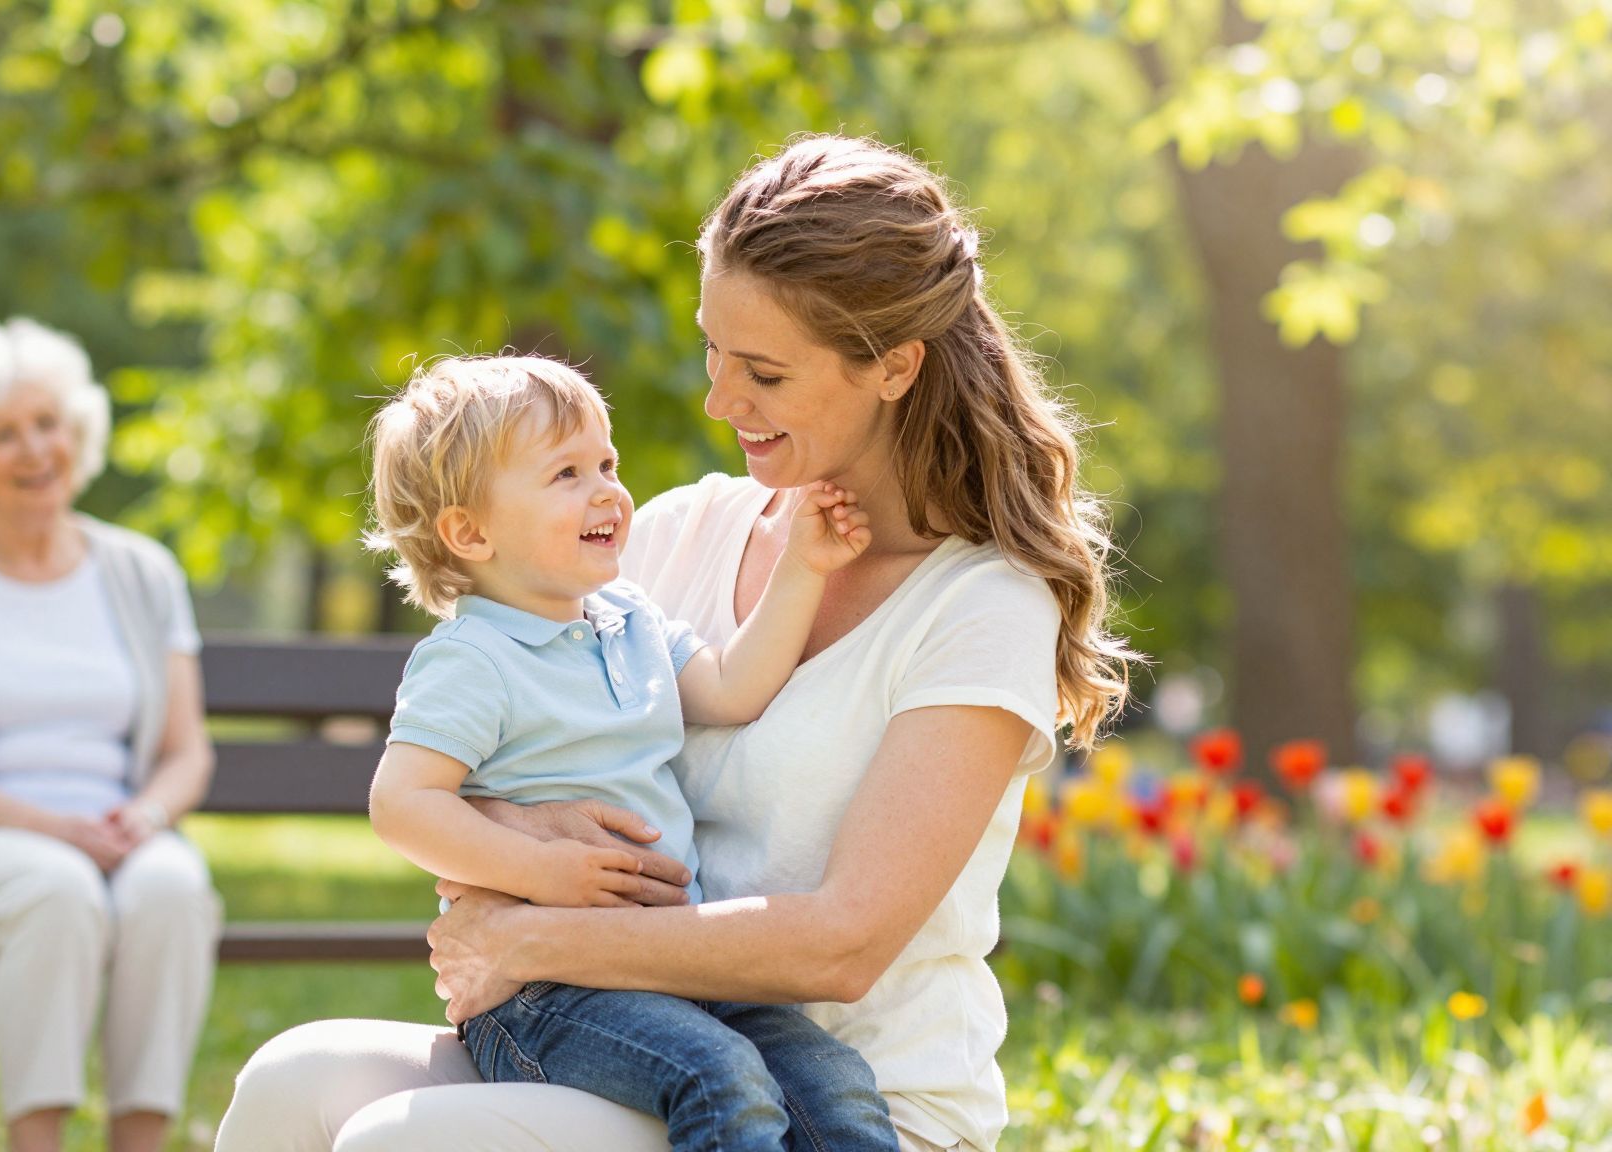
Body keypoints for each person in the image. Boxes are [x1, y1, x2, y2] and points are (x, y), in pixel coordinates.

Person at [214, 134, 1137, 1152]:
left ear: (893, 367)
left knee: (401, 1143)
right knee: (290, 1082)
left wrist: (526, 933)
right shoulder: (668, 535)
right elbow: (492, 744)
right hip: (629, 1042)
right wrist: (523, 837)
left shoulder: (980, 604)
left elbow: (840, 946)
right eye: (712, 348)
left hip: (837, 1104)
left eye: (763, 372)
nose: (717, 399)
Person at [362, 353, 893, 1151]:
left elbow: (731, 687)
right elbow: (401, 805)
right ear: (470, 531)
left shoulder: (629, 618)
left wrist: (803, 567)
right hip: (545, 993)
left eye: (607, 462)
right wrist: (539, 871)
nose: (607, 489)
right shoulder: (472, 658)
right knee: (722, 1079)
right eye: (566, 473)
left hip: (673, 963)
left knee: (836, 1089)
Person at [0, 318, 221, 1152]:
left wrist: (146, 820)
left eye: (47, 424)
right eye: (3, 433)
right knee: (56, 888)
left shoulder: (141, 572)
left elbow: (184, 750)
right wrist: (56, 830)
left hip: (119, 832)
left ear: (78, 431)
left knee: (173, 889)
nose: (34, 450)